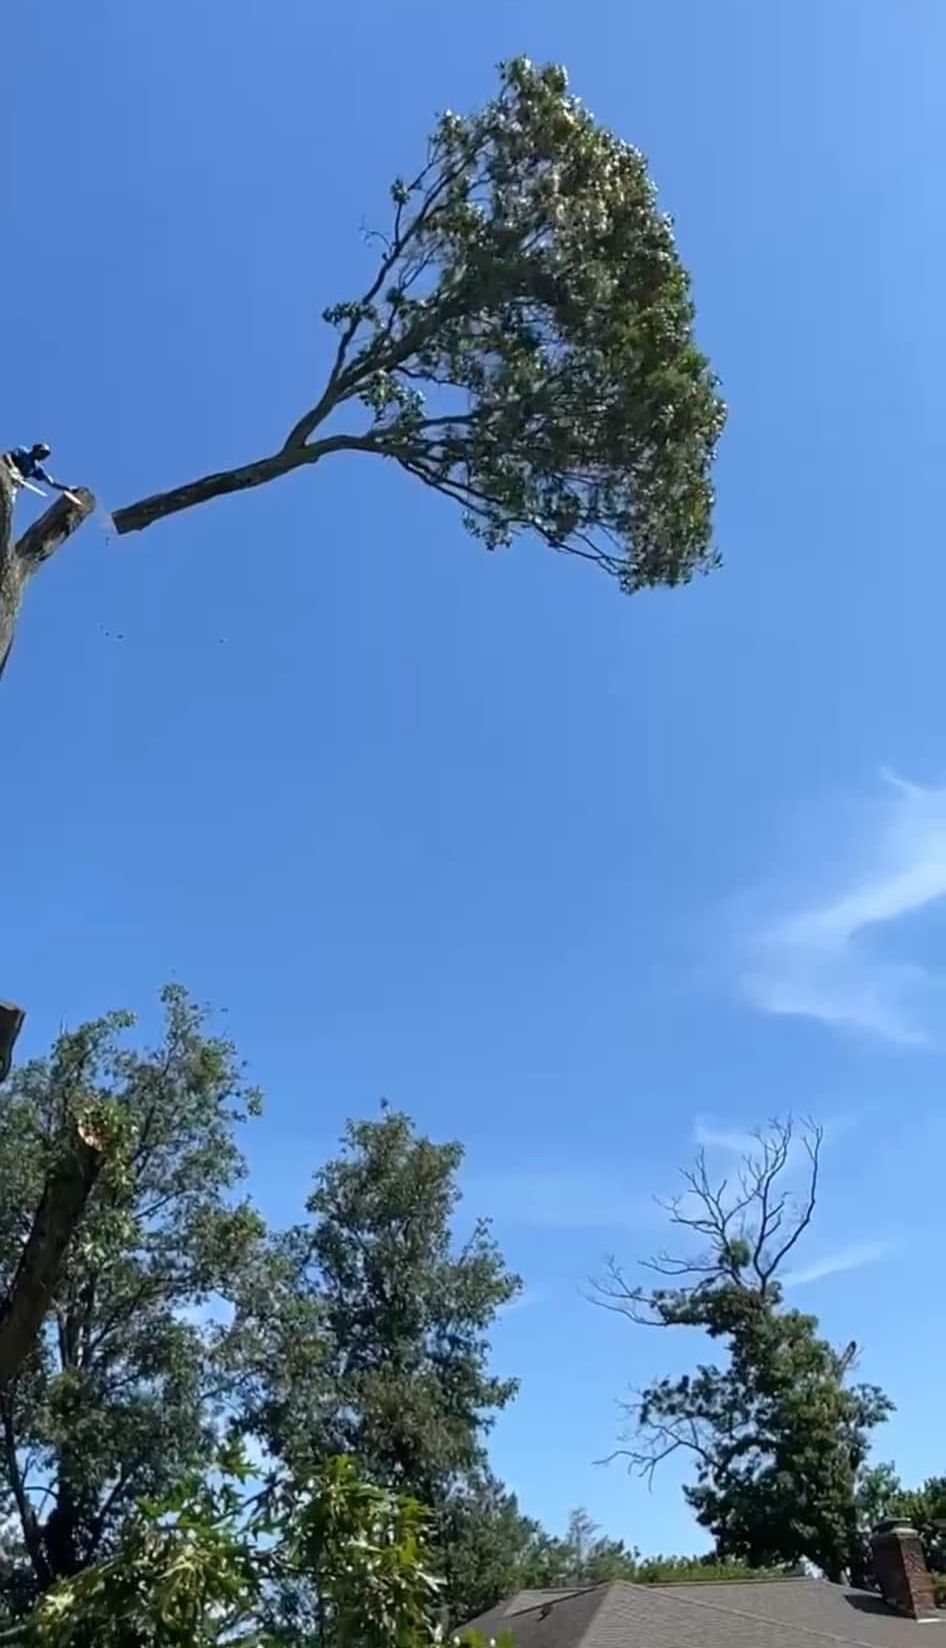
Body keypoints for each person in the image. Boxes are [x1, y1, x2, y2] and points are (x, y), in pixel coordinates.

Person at [1, 442, 69, 496]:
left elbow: (52, 483)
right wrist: (12, 468)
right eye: (42, 453)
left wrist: (67, 488)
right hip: (3, 471)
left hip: (10, 484)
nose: (43, 456)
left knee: (9, 498)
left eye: (44, 455)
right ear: (36, 449)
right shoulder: (23, 451)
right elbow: (7, 455)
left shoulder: (36, 468)